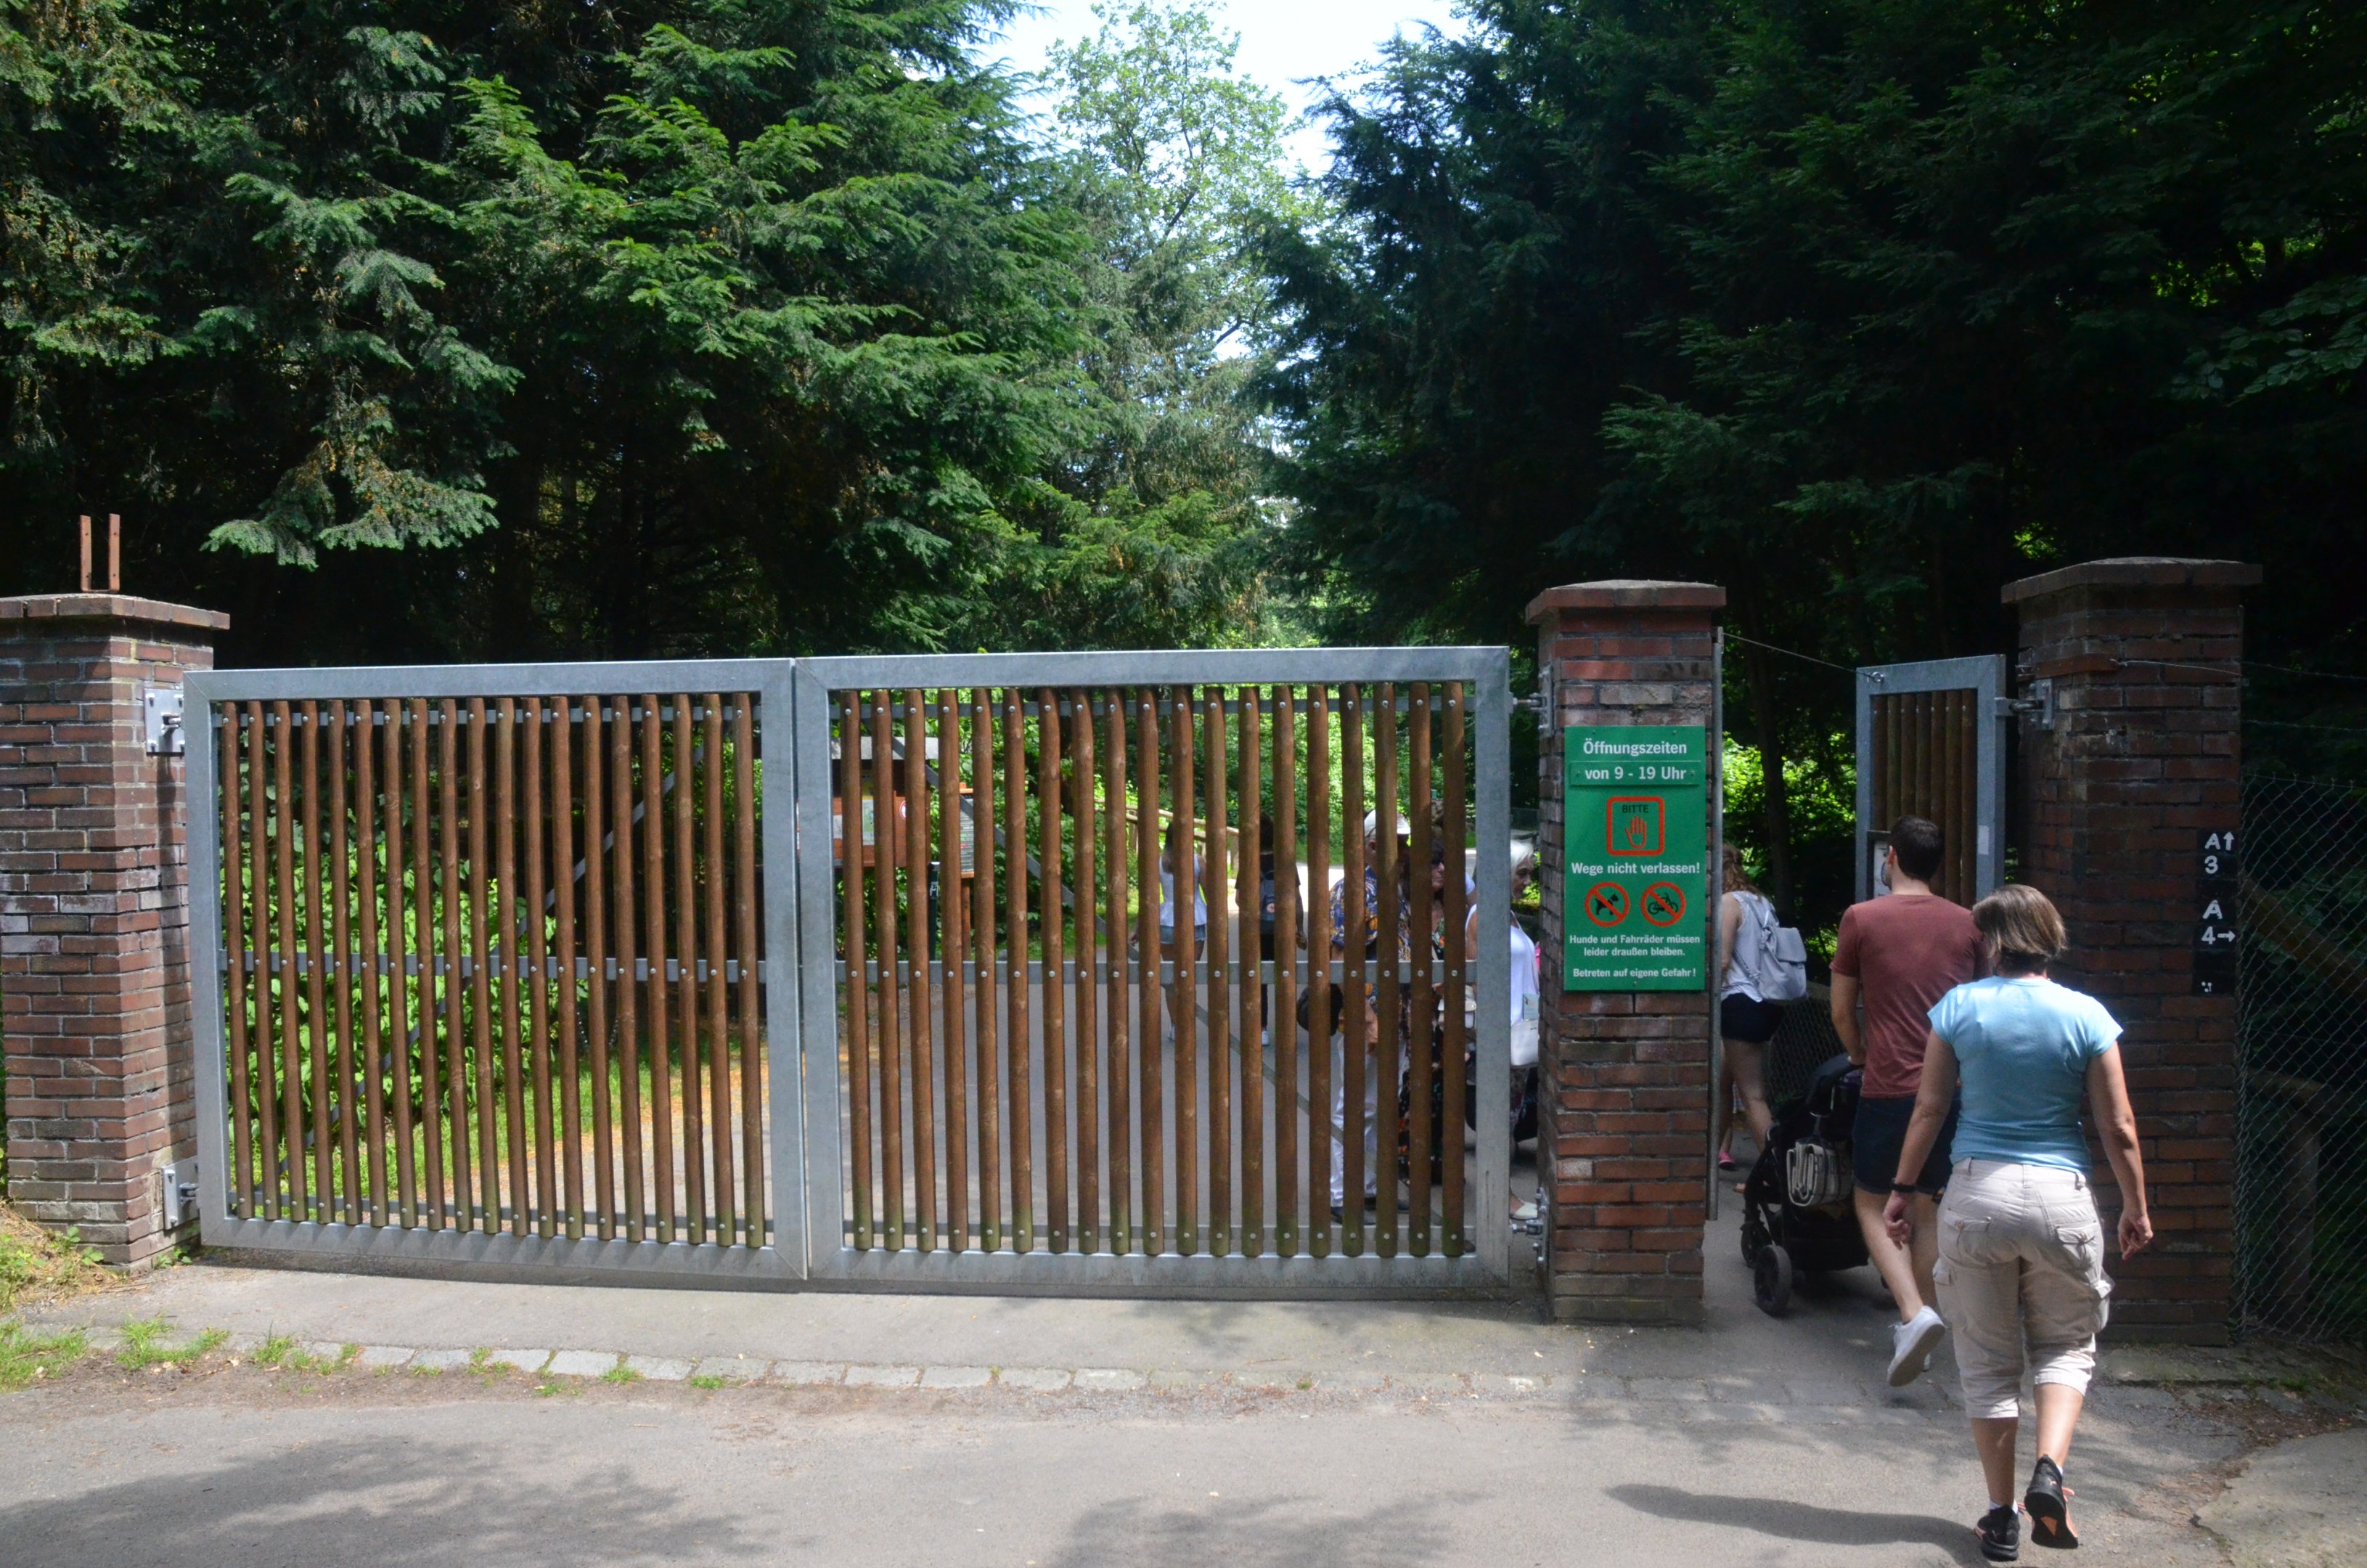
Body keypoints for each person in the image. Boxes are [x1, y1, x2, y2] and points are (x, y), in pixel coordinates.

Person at [1884, 883, 2150, 1561]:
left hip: (1975, 1196)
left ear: (1992, 942)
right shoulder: (2086, 1015)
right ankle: (2051, 1473)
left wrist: (1901, 1188)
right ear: (2048, 939)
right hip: (2061, 1196)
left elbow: (1929, 1109)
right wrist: (2135, 1207)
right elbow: (2116, 1127)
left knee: (1987, 1364)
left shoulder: (1957, 1009)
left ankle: (2000, 1518)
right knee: (2065, 1345)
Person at [1831, 814, 1986, 1387]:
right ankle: (1924, 1316)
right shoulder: (1968, 924)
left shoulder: (1861, 919)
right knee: (1924, 1205)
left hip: (1889, 1084)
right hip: (1950, 1092)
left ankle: (1911, 1313)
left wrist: (1858, 1053)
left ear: (1889, 857)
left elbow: (1842, 1010)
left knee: (1872, 1202)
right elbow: (1976, 1004)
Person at [1714, 844, 1781, 1185]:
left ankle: (1775, 1175)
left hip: (1739, 1004)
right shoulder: (1762, 902)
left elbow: (1723, 960)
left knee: (1753, 1095)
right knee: (1721, 1084)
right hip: (1767, 1002)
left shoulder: (1729, 903)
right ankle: (1704, 1165)